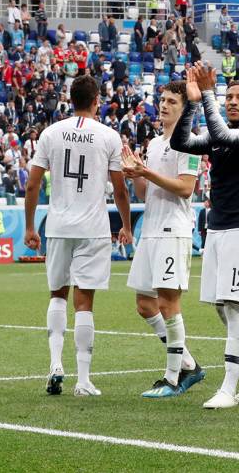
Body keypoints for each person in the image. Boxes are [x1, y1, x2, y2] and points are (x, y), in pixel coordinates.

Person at [23, 75, 133, 397]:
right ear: (96, 99)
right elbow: (121, 189)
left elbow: (32, 185)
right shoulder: (109, 136)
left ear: (70, 99)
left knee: (58, 294)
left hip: (58, 226)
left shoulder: (50, 133)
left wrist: (30, 227)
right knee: (84, 302)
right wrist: (125, 226)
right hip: (93, 228)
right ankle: (83, 381)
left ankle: (55, 364)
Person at [170, 65, 239, 410]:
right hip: (217, 227)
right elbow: (180, 141)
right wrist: (194, 103)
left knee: (235, 308)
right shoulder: (219, 132)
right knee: (222, 308)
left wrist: (209, 93)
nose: (232, 102)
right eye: (228, 96)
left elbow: (226, 137)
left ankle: (229, 387)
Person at [121, 81, 205, 398]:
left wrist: (145, 172)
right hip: (151, 230)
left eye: (171, 101)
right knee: (145, 304)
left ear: (184, 109)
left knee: (169, 304)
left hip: (173, 229)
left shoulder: (190, 143)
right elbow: (145, 192)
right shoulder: (155, 144)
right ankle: (188, 364)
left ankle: (172, 379)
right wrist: (134, 175)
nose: (164, 105)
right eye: (162, 99)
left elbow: (186, 188)